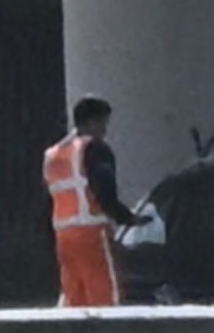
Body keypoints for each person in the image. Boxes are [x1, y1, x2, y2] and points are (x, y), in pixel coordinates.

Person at [44, 97, 141, 309]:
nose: (105, 130)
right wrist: (128, 218)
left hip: (64, 236)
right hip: (92, 231)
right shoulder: (94, 149)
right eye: (103, 123)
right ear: (93, 122)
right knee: (104, 294)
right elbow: (104, 192)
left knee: (74, 297)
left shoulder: (53, 155)